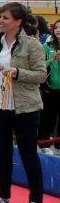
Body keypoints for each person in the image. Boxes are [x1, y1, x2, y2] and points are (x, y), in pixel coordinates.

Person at [0, 3, 47, 203]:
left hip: (25, 108)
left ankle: (36, 201)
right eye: (0, 17)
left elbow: (41, 75)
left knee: (28, 153)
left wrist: (18, 73)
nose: (0, 21)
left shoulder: (32, 45)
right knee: (2, 152)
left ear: (18, 22)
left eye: (5, 18)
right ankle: (3, 197)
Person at [43, 19, 60, 157]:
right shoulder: (46, 45)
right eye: (57, 28)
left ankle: (58, 147)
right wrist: (52, 59)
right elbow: (40, 64)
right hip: (50, 88)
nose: (59, 30)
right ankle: (45, 145)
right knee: (48, 117)